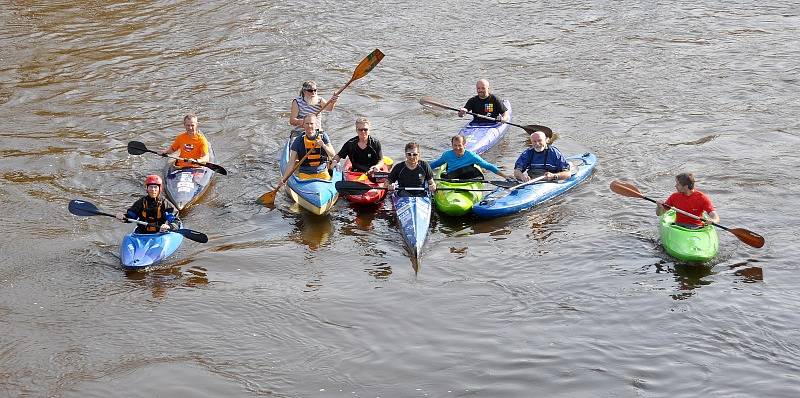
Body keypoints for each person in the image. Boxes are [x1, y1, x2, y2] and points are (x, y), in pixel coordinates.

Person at [277, 114, 336, 187]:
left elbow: (333, 154)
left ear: (316, 125)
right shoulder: (298, 140)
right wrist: (283, 179)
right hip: (305, 174)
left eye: (311, 123)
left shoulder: (323, 136)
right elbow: (291, 162)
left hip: (322, 172)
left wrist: (323, 145)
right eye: (307, 123)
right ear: (303, 125)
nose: (309, 126)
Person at [430, 135, 510, 180]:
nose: (457, 148)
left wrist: (505, 176)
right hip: (452, 178)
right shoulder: (447, 155)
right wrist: (419, 167)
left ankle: (481, 170)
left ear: (464, 145)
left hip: (468, 178)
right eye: (455, 145)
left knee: (476, 169)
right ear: (452, 145)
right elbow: (435, 164)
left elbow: (488, 166)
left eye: (460, 145)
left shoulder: (472, 156)